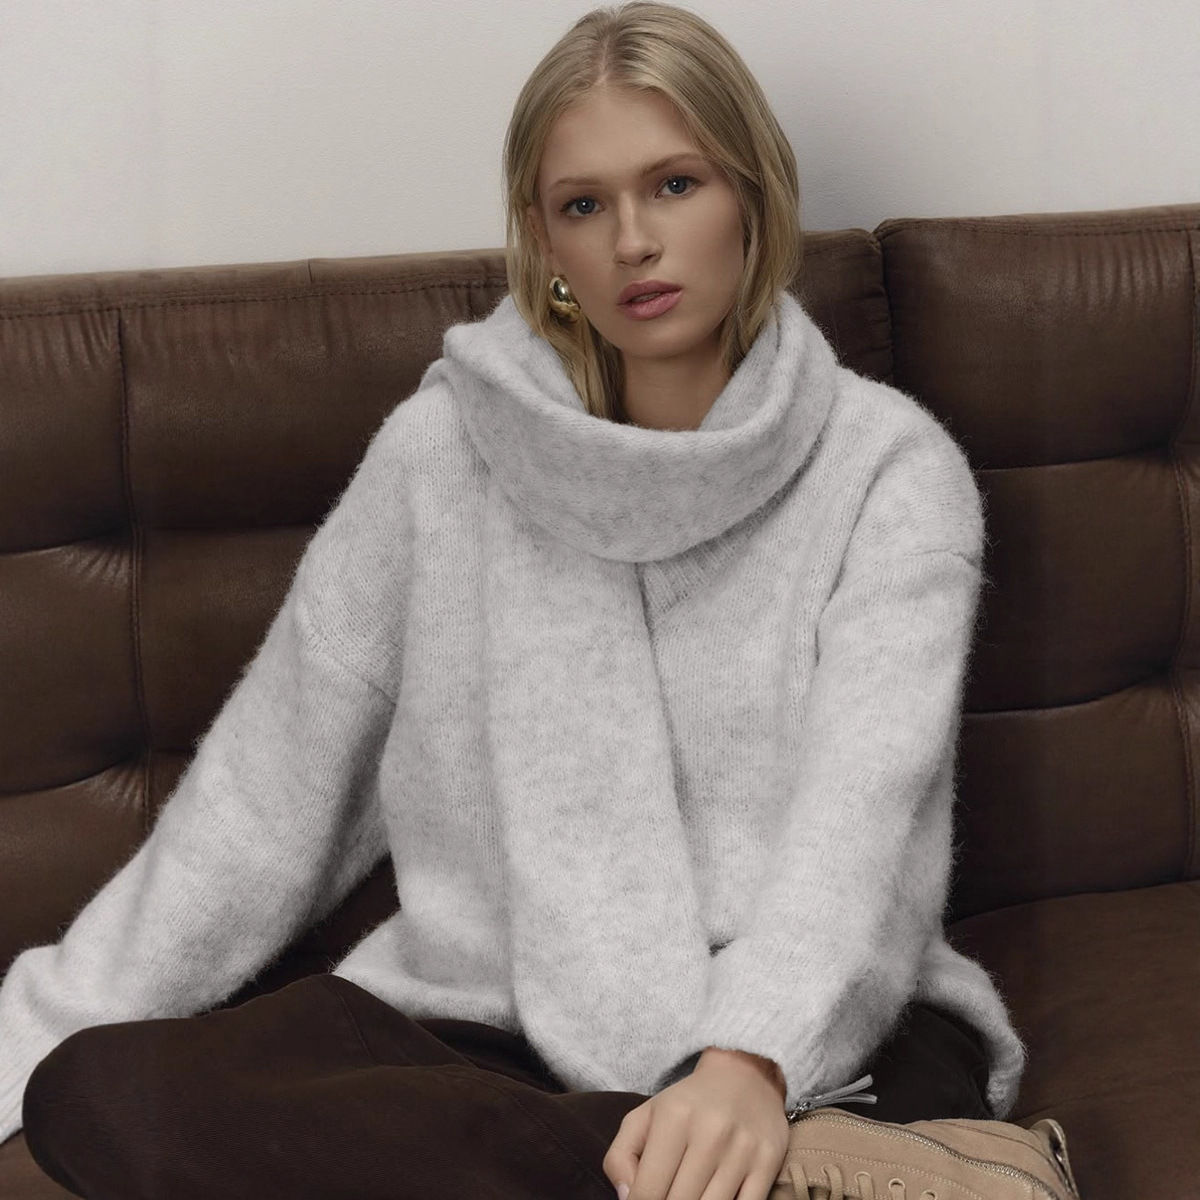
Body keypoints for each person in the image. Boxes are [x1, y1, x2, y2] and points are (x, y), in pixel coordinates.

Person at [1, 3, 1026, 1199]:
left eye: (676, 185)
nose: (634, 241)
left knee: (749, 1114)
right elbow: (264, 797)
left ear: (753, 196)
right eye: (584, 205)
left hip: (819, 1030)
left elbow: (860, 828)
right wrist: (42, 1028)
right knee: (91, 1089)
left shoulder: (889, 470)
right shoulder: (438, 456)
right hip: (491, 1028)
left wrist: (747, 1060)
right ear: (543, 241)